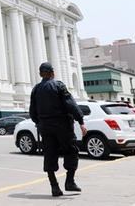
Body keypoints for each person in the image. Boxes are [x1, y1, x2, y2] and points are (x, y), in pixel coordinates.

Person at [30, 62, 87, 197]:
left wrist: (40, 123)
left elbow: (32, 112)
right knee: (71, 151)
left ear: (40, 74)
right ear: (52, 73)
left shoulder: (36, 89)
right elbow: (70, 104)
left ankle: (54, 186)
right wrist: (81, 121)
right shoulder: (58, 85)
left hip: (45, 127)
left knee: (49, 154)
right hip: (63, 126)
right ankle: (70, 181)